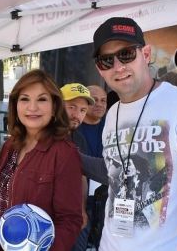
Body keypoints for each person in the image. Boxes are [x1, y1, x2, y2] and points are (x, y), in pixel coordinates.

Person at [83, 17, 177, 250]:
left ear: (146, 54)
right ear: (100, 68)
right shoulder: (112, 114)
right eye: (107, 60)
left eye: (127, 54)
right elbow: (113, 170)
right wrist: (67, 153)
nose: (118, 66)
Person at [0, 70, 83, 251]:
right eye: (24, 99)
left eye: (42, 99)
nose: (32, 107)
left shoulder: (64, 153)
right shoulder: (10, 146)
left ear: (55, 107)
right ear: (15, 106)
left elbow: (70, 220)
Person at [60, 83, 95, 251]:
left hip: (73, 216)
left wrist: (81, 210)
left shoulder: (78, 138)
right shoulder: (42, 134)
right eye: (72, 107)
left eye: (82, 110)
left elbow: (82, 175)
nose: (77, 115)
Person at [77, 85, 108, 249]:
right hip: (80, 201)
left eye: (103, 100)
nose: (100, 104)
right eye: (94, 100)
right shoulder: (73, 129)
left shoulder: (112, 127)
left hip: (106, 200)